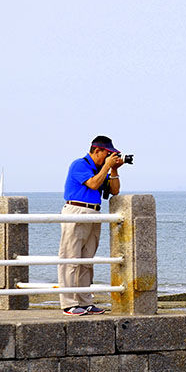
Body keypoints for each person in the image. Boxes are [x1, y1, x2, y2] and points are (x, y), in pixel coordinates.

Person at [57, 135, 125, 315]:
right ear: (97, 150)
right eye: (108, 154)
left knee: (87, 260)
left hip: (94, 212)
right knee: (70, 259)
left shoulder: (100, 169)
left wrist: (114, 170)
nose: (109, 157)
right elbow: (93, 184)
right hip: (77, 211)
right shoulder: (80, 165)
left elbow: (115, 190)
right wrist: (107, 167)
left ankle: (85, 301)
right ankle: (69, 303)